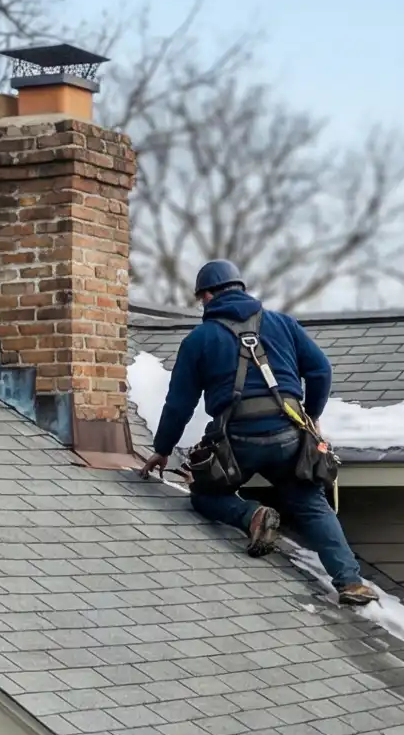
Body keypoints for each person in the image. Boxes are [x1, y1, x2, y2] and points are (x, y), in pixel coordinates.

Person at [141, 260, 380, 606]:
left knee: (204, 494)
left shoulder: (200, 339)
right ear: (240, 288)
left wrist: (162, 448)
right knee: (311, 502)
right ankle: (350, 582)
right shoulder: (282, 323)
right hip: (289, 436)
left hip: (237, 443)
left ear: (207, 295)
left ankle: (253, 515)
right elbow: (321, 370)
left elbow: (180, 403)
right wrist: (310, 415)